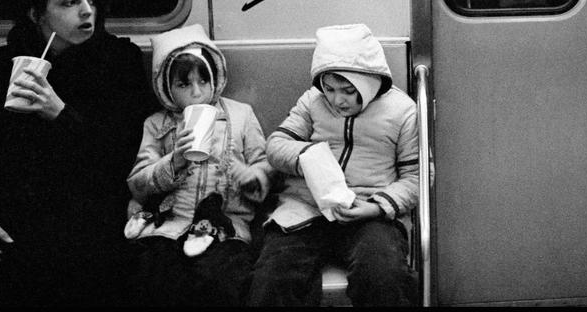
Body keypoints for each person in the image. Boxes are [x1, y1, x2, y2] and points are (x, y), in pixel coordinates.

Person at [0, 0, 155, 306]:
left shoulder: (118, 62)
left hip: (93, 208)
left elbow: (122, 158)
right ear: (38, 14)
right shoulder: (3, 65)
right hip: (19, 210)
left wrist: (60, 113)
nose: (87, 11)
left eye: (92, 0)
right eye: (69, 3)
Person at [247, 23, 419, 306]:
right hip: (306, 209)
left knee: (382, 277)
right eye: (329, 88)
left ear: (369, 83)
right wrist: (309, 158)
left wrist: (376, 206)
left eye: (348, 90)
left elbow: (416, 177)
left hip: (368, 212)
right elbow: (276, 147)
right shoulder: (313, 102)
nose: (337, 100)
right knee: (274, 278)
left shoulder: (402, 111)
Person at [125, 23, 273, 307]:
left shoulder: (241, 116)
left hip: (225, 228)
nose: (196, 92)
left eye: (203, 81)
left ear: (214, 79)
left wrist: (251, 177)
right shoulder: (157, 124)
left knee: (220, 282)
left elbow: (263, 166)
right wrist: (174, 160)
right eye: (183, 84)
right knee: (154, 279)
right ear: (166, 87)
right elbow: (138, 183)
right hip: (169, 225)